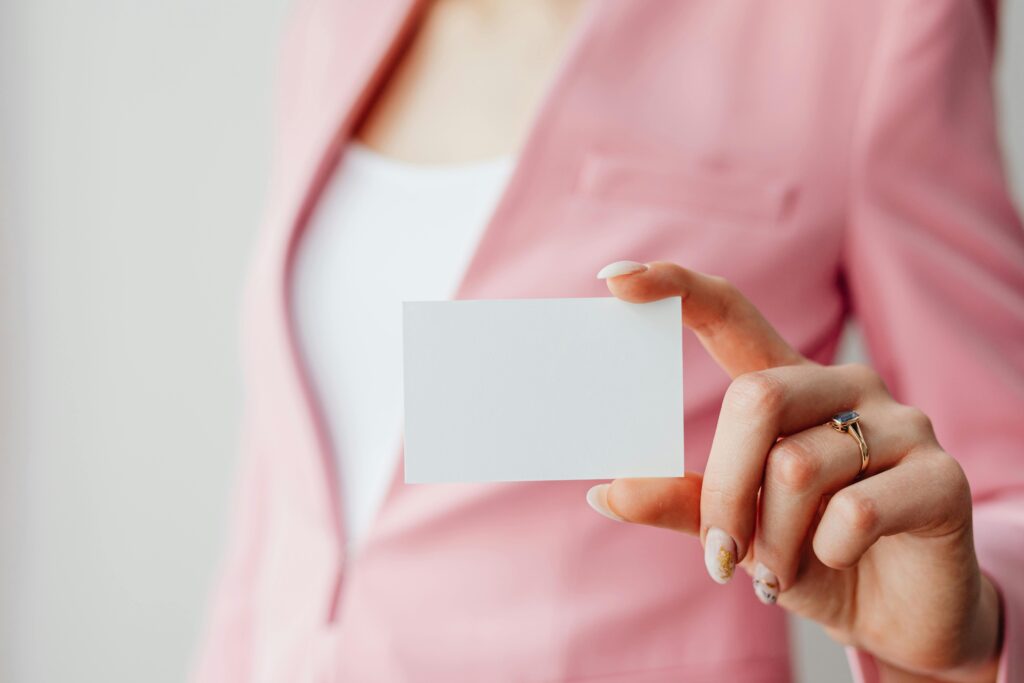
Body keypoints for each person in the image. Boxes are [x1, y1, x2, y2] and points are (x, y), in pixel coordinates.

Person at [194, 1, 1024, 681]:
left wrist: (974, 622)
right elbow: (280, 496)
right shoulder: (333, 26)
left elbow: (1006, 466)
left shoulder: (871, 24)